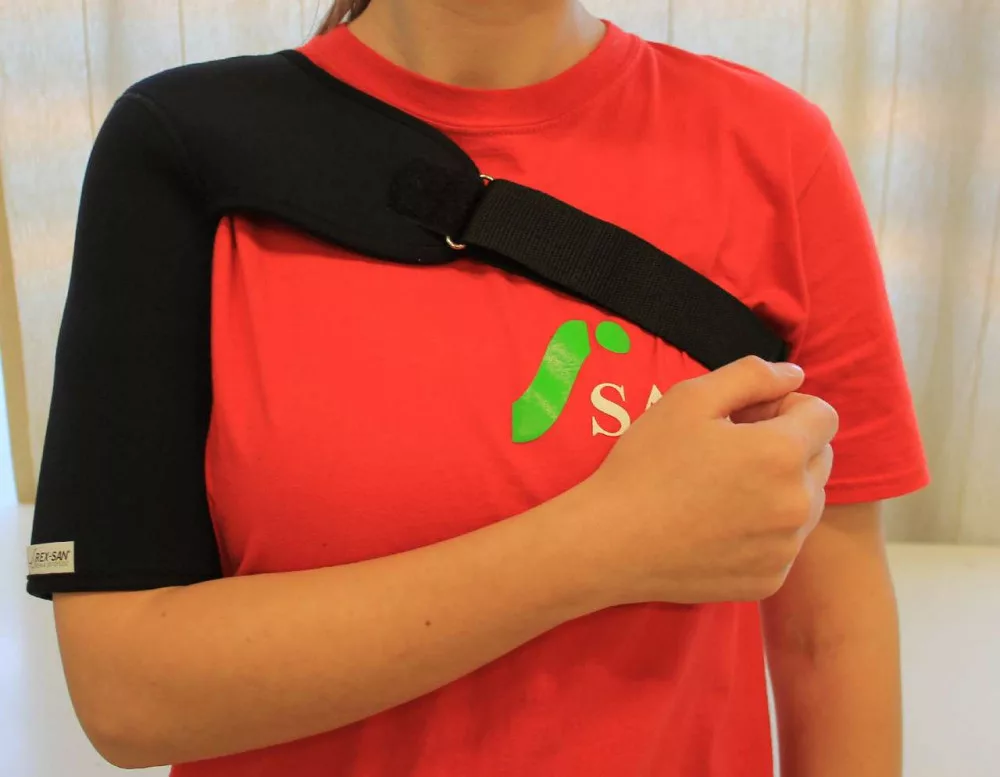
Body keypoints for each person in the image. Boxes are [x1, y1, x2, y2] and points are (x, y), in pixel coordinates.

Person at [26, 1, 928, 775]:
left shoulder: (777, 152)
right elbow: (125, 689)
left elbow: (827, 636)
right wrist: (608, 542)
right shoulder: (185, 149)